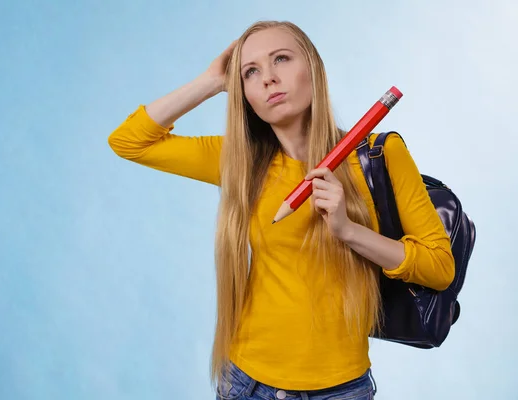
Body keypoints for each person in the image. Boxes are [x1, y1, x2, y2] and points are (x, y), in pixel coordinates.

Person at [108, 20, 454, 400]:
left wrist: (349, 230)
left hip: (340, 390)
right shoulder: (238, 161)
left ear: (313, 68)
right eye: (250, 72)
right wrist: (210, 81)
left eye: (281, 59)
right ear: (244, 94)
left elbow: (439, 268)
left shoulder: (378, 155)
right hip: (247, 383)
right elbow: (128, 141)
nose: (269, 79)